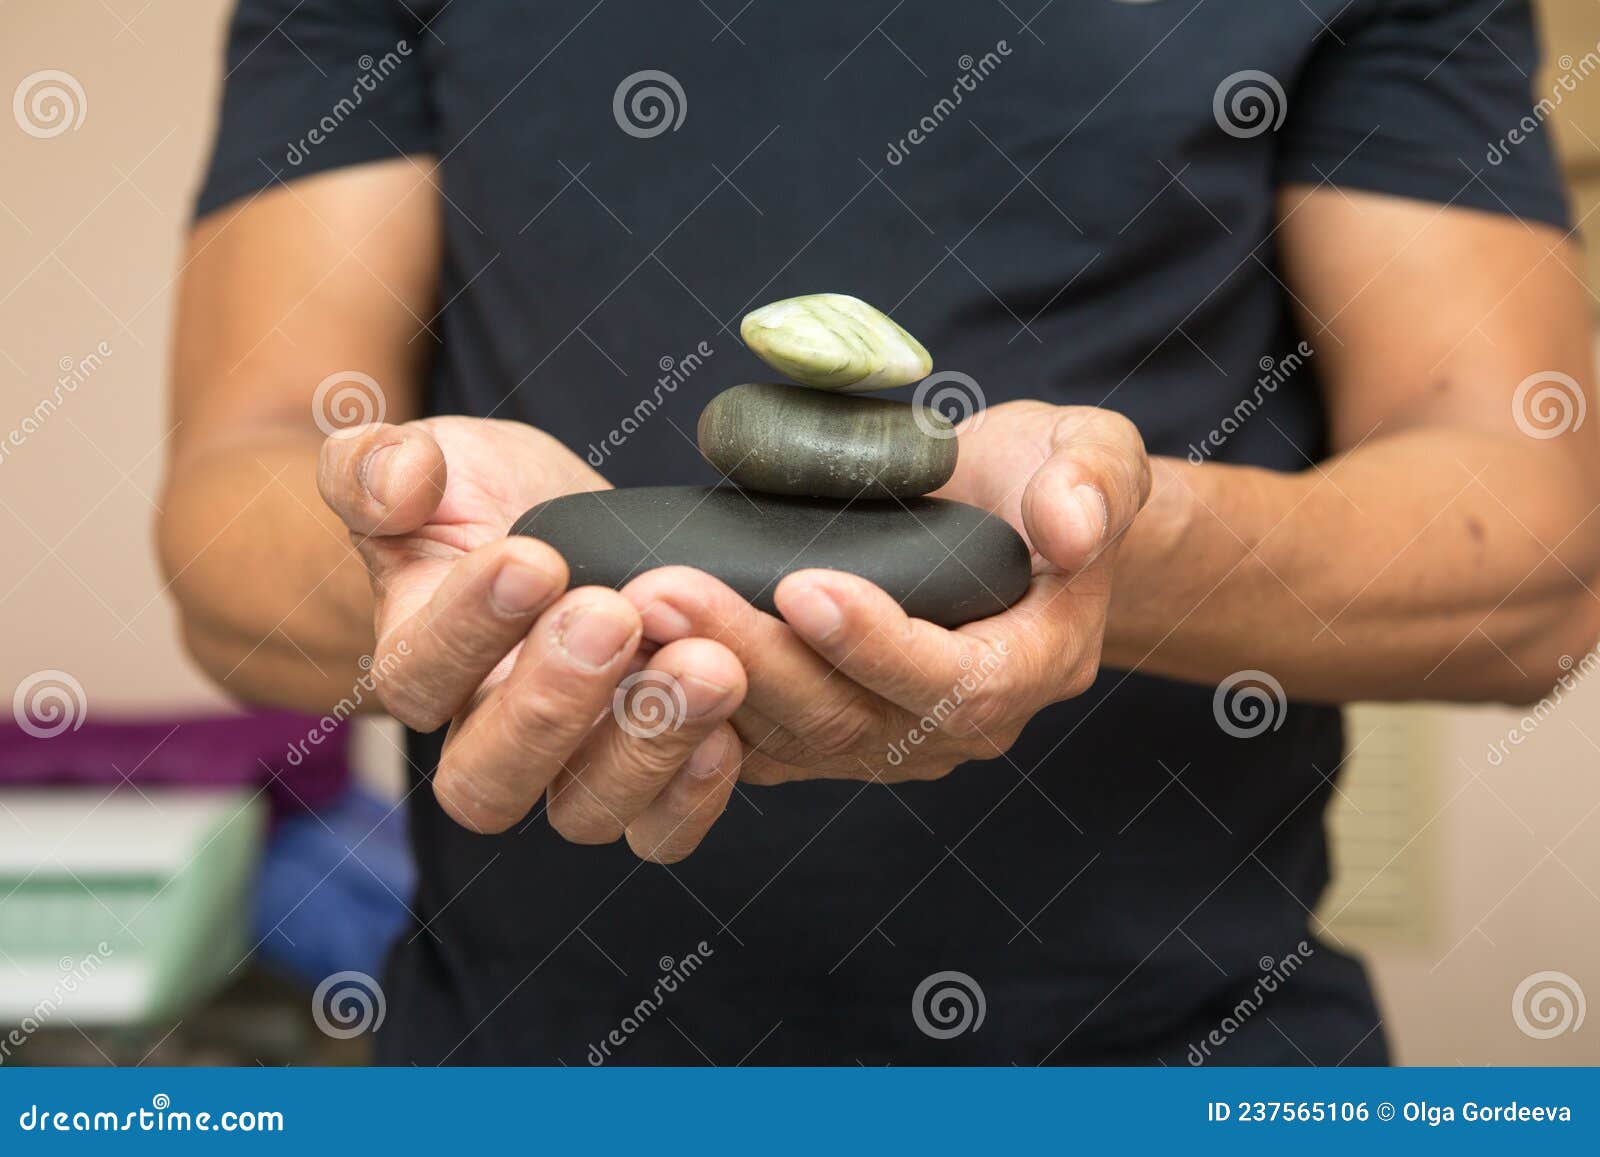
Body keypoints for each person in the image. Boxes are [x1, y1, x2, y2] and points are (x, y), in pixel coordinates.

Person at [159, 0, 1600, 1064]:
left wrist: (1096, 543)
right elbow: (239, 487)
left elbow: (1534, 555)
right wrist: (474, 561)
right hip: (526, 1070)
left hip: (1187, 1066)